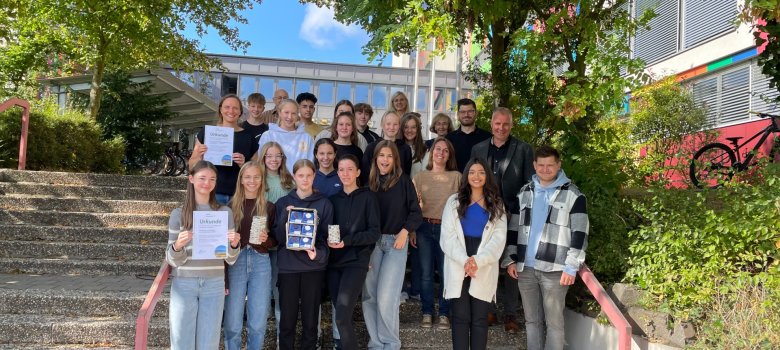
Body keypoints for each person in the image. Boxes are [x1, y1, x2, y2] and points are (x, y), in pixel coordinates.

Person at [504, 146, 589, 350]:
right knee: (532, 322)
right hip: (525, 268)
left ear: (558, 165)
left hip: (556, 269)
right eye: (541, 165)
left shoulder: (573, 195)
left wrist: (571, 266)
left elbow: (580, 233)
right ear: (534, 165)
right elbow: (513, 229)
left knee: (554, 324)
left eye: (550, 165)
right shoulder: (524, 193)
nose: (545, 169)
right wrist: (511, 258)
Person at [470, 106, 534, 332]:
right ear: (491, 123)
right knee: (488, 261)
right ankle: (488, 310)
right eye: (498, 123)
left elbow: (529, 184)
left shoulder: (524, 149)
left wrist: (519, 210)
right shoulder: (478, 148)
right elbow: (473, 179)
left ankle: (510, 315)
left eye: (506, 124)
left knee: (511, 264)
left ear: (511, 125)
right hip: (485, 215)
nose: (501, 128)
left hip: (513, 215)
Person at [166, 160, 240, 350]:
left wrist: (234, 244)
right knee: (182, 342)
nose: (207, 183)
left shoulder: (224, 213)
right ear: (191, 179)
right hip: (184, 284)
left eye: (212, 179)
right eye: (202, 178)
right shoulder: (179, 214)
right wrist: (178, 245)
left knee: (209, 343)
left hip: (214, 283)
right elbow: (172, 259)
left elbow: (230, 259)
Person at [441, 158, 507, 350]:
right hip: (458, 260)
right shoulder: (453, 201)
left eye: (481, 172)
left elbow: (498, 239)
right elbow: (447, 237)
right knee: (460, 317)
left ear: (487, 176)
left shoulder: (496, 203)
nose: (476, 176)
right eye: (471, 172)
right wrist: (465, 260)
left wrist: (478, 261)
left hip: (483, 262)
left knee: (479, 318)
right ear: (466, 175)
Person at [362, 140, 422, 350]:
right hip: (371, 245)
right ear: (375, 158)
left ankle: (391, 343)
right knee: (369, 295)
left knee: (387, 297)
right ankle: (376, 343)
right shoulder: (368, 184)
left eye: (389, 156)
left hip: (395, 242)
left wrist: (405, 231)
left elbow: (416, 212)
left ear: (395, 160)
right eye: (381, 156)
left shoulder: (404, 182)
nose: (385, 160)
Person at [274, 159, 333, 350]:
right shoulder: (283, 203)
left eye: (309, 175)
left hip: (313, 268)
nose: (305, 179)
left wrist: (319, 254)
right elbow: (279, 240)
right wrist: (285, 217)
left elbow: (326, 239)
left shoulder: (324, 203)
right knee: (287, 322)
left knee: (310, 322)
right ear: (294, 176)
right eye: (301, 175)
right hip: (288, 269)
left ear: (314, 176)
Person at [327, 154, 382, 350]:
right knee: (342, 315)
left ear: (358, 172)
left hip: (356, 262)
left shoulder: (368, 197)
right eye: (341, 169)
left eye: (350, 169)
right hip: (333, 263)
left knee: (341, 316)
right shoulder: (332, 200)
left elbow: (374, 232)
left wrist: (347, 241)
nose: (345, 173)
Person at [223, 161, 277, 350]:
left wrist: (266, 239)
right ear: (241, 180)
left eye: (256, 177)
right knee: (232, 320)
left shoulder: (269, 207)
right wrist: (224, 280)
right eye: (247, 177)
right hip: (235, 261)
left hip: (260, 261)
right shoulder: (229, 207)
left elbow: (276, 241)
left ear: (262, 180)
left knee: (258, 319)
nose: (252, 180)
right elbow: (222, 247)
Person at [411, 137, 461, 330]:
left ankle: (443, 313)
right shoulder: (420, 177)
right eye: (437, 149)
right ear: (431, 153)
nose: (440, 152)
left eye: (445, 150)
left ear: (449, 155)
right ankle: (427, 312)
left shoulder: (456, 176)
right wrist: (412, 230)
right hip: (424, 228)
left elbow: (461, 206)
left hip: (447, 230)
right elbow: (413, 207)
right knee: (426, 273)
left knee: (446, 272)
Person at [256, 141, 295, 339]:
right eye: (269, 155)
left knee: (280, 293)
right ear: (263, 157)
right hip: (261, 244)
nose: (273, 159)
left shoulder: (290, 181)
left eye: (277, 155)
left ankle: (282, 338)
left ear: (283, 158)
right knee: (262, 293)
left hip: (283, 245)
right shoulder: (257, 179)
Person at [190, 94, 258, 205]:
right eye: (227, 107)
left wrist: (244, 164)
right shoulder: (207, 133)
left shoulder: (248, 136)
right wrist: (199, 155)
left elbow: (257, 168)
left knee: (236, 223)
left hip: (239, 194)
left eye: (235, 108)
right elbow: (191, 165)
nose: (231, 111)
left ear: (240, 111)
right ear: (220, 110)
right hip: (211, 192)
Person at [257, 99, 314, 172]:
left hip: (299, 182)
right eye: (286, 112)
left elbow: (310, 164)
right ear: (279, 113)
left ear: (297, 115)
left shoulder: (306, 138)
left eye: (293, 113)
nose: (289, 117)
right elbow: (262, 162)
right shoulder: (268, 136)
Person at [360, 111, 413, 185]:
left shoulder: (405, 149)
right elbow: (365, 175)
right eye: (388, 124)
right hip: (375, 191)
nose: (391, 127)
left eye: (395, 124)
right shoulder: (371, 147)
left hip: (398, 192)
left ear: (399, 126)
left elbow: (406, 174)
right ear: (382, 125)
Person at [446, 98, 491, 172]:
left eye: (470, 111)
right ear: (458, 115)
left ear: (476, 113)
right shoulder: (449, 138)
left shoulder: (487, 137)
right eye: (462, 112)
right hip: (456, 181)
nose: (466, 115)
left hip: (479, 181)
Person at [401, 112, 427, 178]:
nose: (409, 130)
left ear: (418, 129)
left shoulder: (425, 150)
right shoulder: (396, 148)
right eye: (406, 127)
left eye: (413, 127)